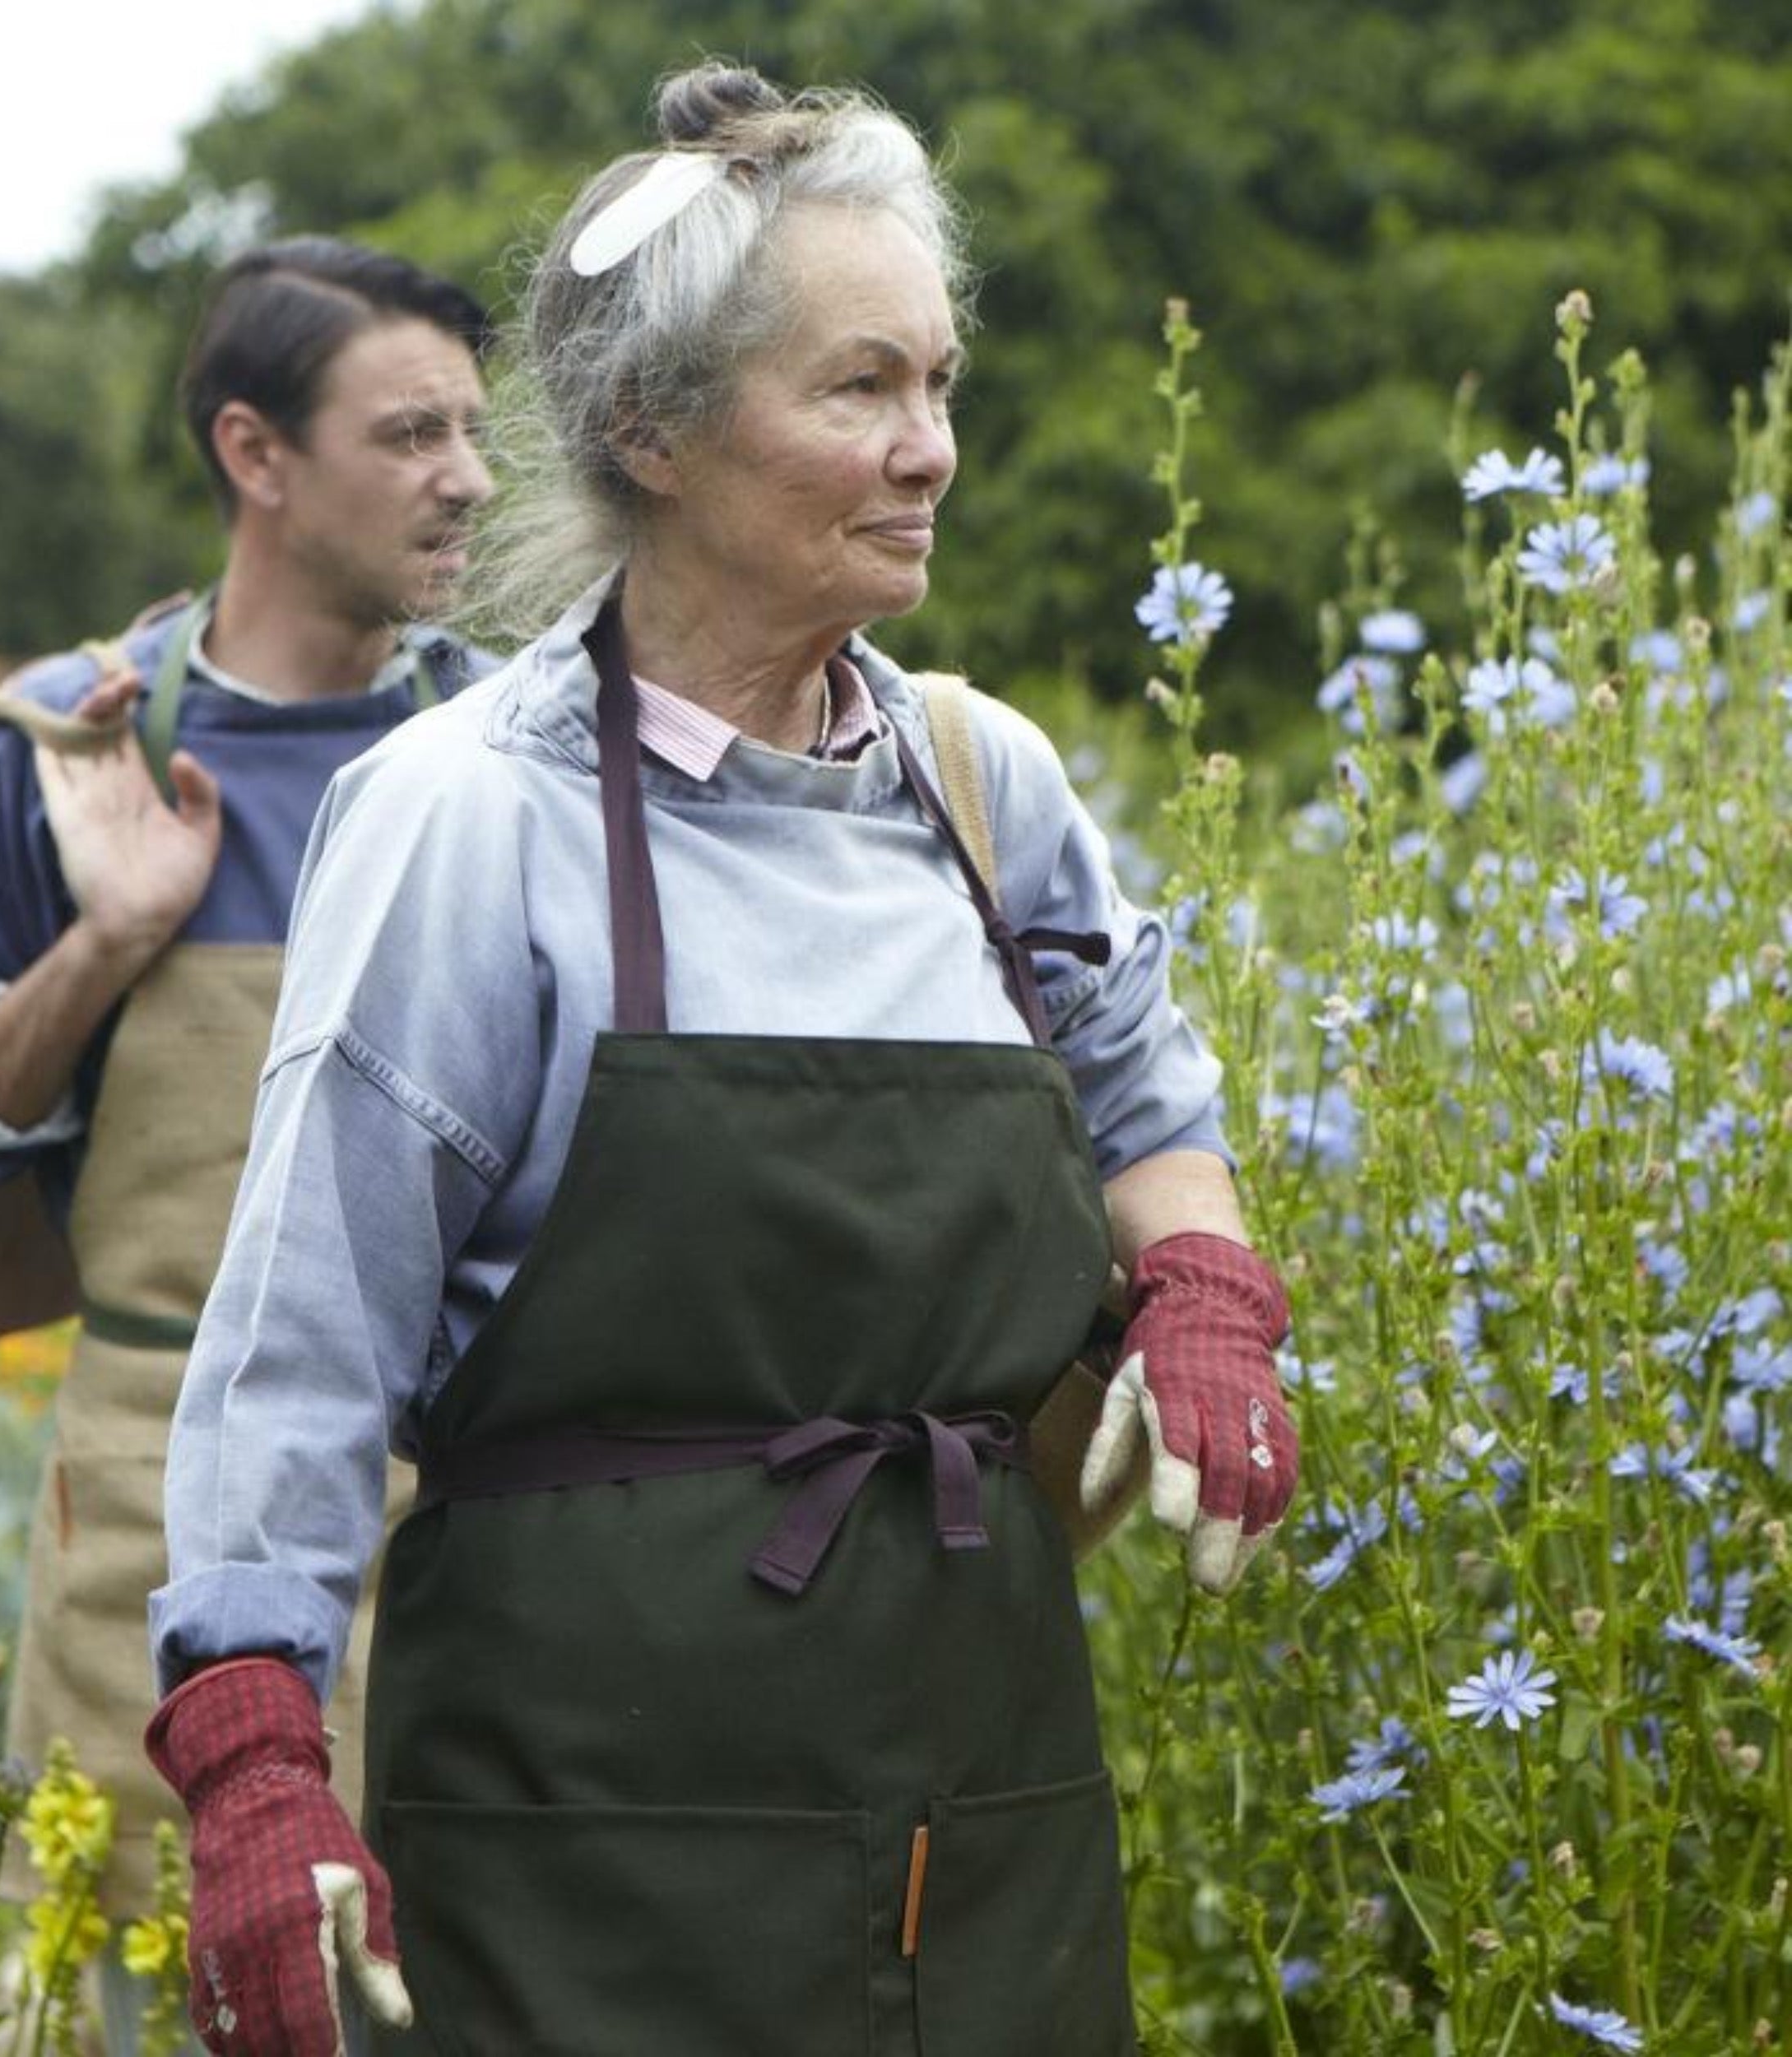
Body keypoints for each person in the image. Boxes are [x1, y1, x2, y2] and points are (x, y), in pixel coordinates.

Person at [145, 67, 1298, 2057]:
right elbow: (303, 1331)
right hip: (581, 1844)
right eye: (857, 389)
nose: (929, 448)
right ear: (649, 431)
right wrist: (257, 1754)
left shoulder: (974, 781)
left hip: (980, 1813)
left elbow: (1149, 1107)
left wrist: (1203, 1289)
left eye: (938, 382)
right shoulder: (465, 821)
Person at [0, 237, 495, 2036]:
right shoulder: (69, 754)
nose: (466, 476)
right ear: (255, 453)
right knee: (152, 1996)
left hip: (477, 1526)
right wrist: (113, 934)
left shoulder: (511, 755)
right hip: (158, 1519)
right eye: (410, 431)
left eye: (471, 429)